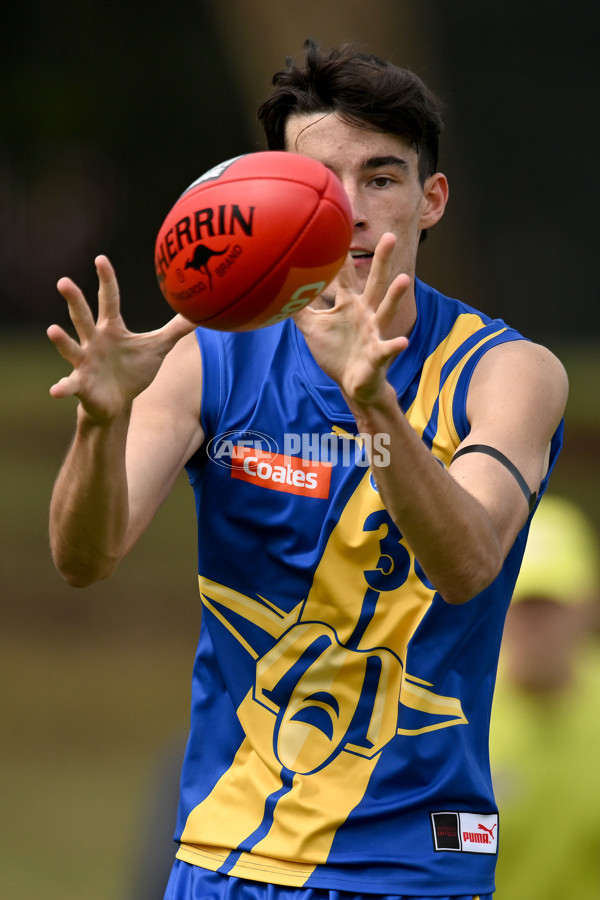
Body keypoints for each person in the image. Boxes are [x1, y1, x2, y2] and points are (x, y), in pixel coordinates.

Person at [47, 39, 568, 900]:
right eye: (324, 181)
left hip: (415, 865)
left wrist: (372, 401)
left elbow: (469, 565)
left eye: (382, 178)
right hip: (226, 856)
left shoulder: (509, 372)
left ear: (431, 199)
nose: (355, 211)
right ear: (275, 196)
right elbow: (83, 557)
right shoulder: (207, 358)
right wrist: (100, 425)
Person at [490, 494, 600, 899]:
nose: (536, 626)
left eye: (551, 606)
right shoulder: (458, 719)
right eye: (523, 605)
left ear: (588, 606)